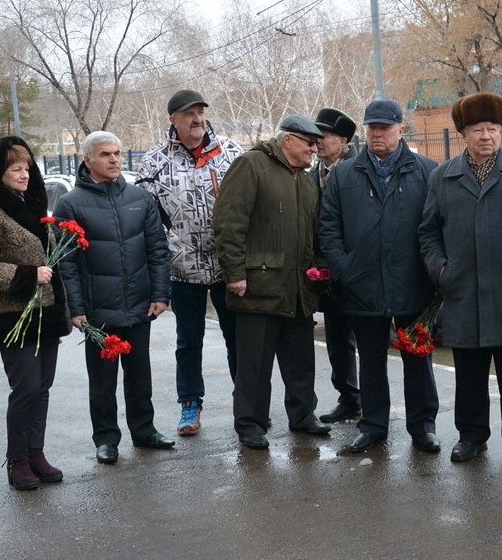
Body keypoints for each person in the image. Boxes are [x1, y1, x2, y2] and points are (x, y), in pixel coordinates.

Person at [420, 92, 502, 465]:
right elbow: (428, 231)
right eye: (478, 129)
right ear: (463, 133)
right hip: (463, 290)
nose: (486, 136)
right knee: (469, 373)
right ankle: (472, 436)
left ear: (501, 132)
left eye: (493, 128)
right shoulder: (443, 177)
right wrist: (441, 270)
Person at [320, 100, 441, 452]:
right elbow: (328, 228)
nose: (377, 134)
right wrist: (345, 269)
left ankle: (423, 427)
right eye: (371, 127)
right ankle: (372, 426)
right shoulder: (345, 175)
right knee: (371, 361)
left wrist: (432, 274)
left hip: (413, 284)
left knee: (417, 359)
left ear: (401, 130)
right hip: (362, 285)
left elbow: (436, 226)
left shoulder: (427, 170)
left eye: (385, 128)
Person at [54, 131, 174, 464]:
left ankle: (144, 430)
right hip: (98, 311)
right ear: (88, 160)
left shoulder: (140, 198)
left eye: (117, 153)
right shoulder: (71, 204)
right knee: (103, 382)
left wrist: (161, 294)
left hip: (139, 305)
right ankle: (106, 439)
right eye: (106, 154)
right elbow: (67, 263)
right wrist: (76, 309)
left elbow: (158, 250)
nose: (114, 160)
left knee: (140, 375)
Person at [212, 115, 331, 450]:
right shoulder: (252, 166)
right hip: (258, 286)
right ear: (288, 140)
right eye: (309, 143)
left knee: (301, 361)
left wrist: (320, 268)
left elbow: (316, 231)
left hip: (298, 289)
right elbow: (228, 222)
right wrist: (234, 273)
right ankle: (249, 423)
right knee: (255, 363)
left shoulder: (305, 180)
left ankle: (303, 415)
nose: (314, 148)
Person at [0, 136, 72, 489]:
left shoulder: (32, 205)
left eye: (27, 168)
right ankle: (18, 460)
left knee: (42, 387)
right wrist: (27, 276)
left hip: (45, 311)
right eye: (15, 169)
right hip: (11, 313)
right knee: (25, 387)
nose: (25, 175)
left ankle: (36, 454)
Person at [136, 89, 244, 437]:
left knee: (238, 339)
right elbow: (145, 221)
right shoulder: (154, 161)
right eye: (189, 114)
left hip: (229, 267)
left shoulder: (231, 153)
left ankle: (247, 403)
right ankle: (189, 406)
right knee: (189, 342)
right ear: (173, 120)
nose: (197, 119)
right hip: (182, 270)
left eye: (200, 112)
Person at [311, 107, 362, 424]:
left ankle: (371, 400)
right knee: (337, 340)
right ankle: (349, 397)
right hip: (326, 272)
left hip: (357, 270)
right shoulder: (312, 173)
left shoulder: (359, 171)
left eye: (325, 136)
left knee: (366, 342)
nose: (317, 141)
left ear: (343, 141)